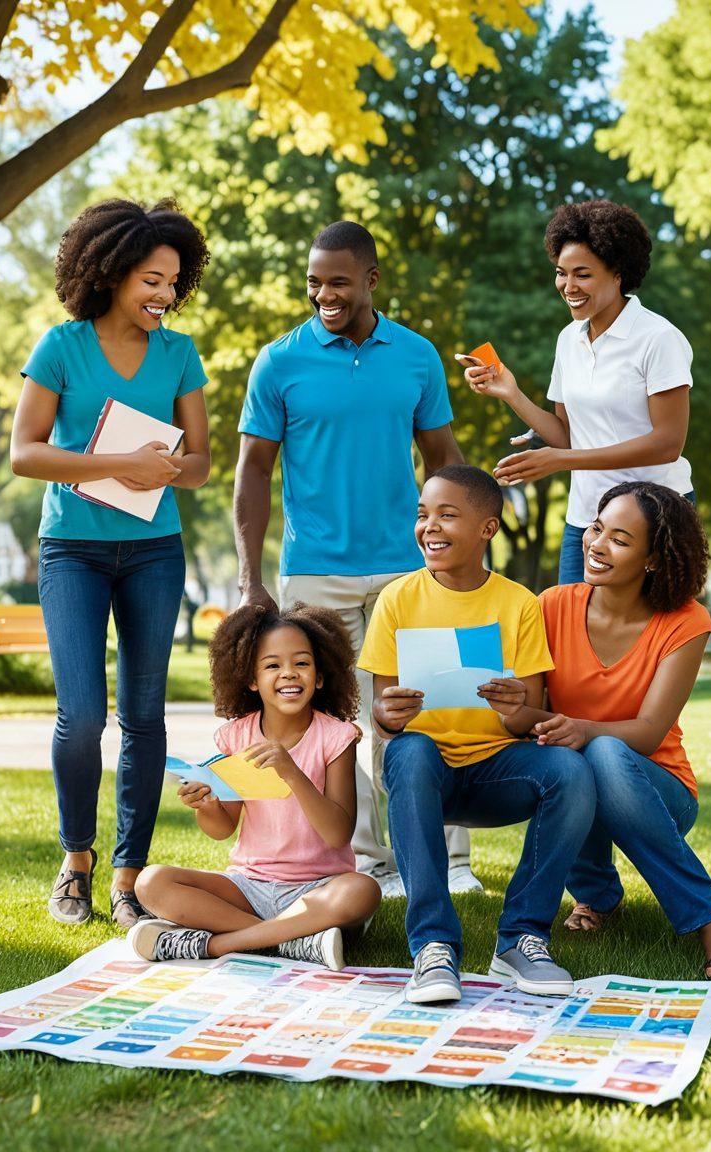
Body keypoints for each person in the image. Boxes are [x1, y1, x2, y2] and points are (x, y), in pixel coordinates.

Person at [234, 219, 481, 897]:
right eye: (314, 282)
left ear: (371, 279)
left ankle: (451, 862)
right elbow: (253, 471)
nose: (323, 295)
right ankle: (371, 863)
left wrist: (454, 555)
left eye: (337, 282)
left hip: (408, 568)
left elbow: (443, 460)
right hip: (315, 569)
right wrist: (250, 578)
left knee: (427, 707)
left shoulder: (416, 355)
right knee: (337, 723)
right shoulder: (279, 362)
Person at [10, 198, 211, 929]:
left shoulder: (179, 353)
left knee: (146, 716)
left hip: (154, 550)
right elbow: (24, 451)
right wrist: (114, 462)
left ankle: (128, 879)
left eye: (175, 283)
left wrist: (162, 469)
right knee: (82, 716)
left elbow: (199, 467)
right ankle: (76, 863)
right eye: (153, 280)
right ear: (114, 272)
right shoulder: (61, 346)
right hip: (73, 550)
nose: (165, 295)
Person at [358, 465, 596, 1003]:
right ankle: (433, 947)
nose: (430, 527)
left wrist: (516, 709)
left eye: (447, 515)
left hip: (496, 769)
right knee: (412, 749)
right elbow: (384, 716)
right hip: (424, 770)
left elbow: (531, 717)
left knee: (570, 770)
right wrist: (389, 714)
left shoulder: (518, 604)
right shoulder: (397, 599)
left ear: (488, 528)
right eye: (423, 515)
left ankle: (521, 937)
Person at [514, 482, 711, 979]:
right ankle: (598, 894)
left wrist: (581, 729)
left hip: (658, 787)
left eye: (620, 540)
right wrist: (511, 707)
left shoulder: (686, 621)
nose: (597, 545)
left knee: (598, 751)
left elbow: (648, 733)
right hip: (577, 770)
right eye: (596, 528)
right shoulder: (551, 605)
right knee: (565, 759)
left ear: (652, 558)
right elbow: (532, 718)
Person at [129, 604, 382, 969]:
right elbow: (221, 829)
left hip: (320, 886)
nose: (289, 674)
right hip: (250, 886)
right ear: (251, 679)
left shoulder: (336, 737)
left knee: (363, 890)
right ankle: (294, 942)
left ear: (321, 676)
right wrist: (207, 806)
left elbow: (338, 834)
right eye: (272, 665)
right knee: (151, 882)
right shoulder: (237, 736)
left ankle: (215, 946)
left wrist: (292, 772)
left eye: (302, 663)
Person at [459, 199, 695, 584]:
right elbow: (567, 436)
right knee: (572, 635)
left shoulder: (658, 338)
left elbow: (667, 443)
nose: (568, 287)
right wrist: (512, 393)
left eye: (582, 274)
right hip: (587, 518)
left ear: (617, 273)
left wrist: (562, 460)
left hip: (654, 517)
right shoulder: (569, 339)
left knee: (650, 639)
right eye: (561, 273)